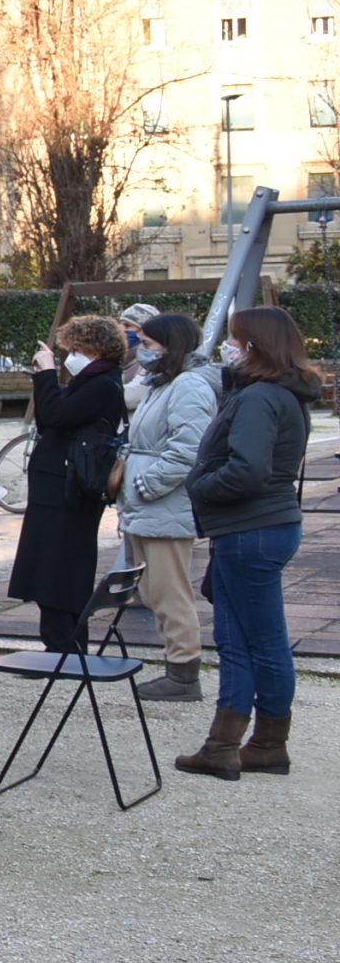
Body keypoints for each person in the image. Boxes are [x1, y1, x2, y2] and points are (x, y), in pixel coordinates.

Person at [176, 306, 316, 779]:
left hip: (249, 528)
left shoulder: (260, 398)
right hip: (261, 527)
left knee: (257, 641)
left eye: (235, 340)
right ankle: (241, 744)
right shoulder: (284, 394)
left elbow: (249, 470)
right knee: (241, 637)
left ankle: (248, 744)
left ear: (254, 346)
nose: (226, 349)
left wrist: (200, 484)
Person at [6, 314, 128, 653]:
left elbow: (59, 416)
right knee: (50, 565)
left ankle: (65, 646)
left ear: (97, 349)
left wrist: (46, 375)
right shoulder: (90, 381)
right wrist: (44, 382)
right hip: (58, 486)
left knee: (61, 567)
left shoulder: (102, 383)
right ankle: (59, 643)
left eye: (77, 348)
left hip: (69, 490)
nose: (70, 355)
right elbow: (49, 418)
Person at [114, 315, 218, 703]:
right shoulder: (165, 384)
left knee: (169, 590)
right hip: (147, 503)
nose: (139, 347)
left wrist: (148, 483)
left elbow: (189, 448)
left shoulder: (187, 386)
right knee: (154, 589)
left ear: (167, 344)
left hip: (162, 504)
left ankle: (183, 671)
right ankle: (177, 666)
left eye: (146, 341)